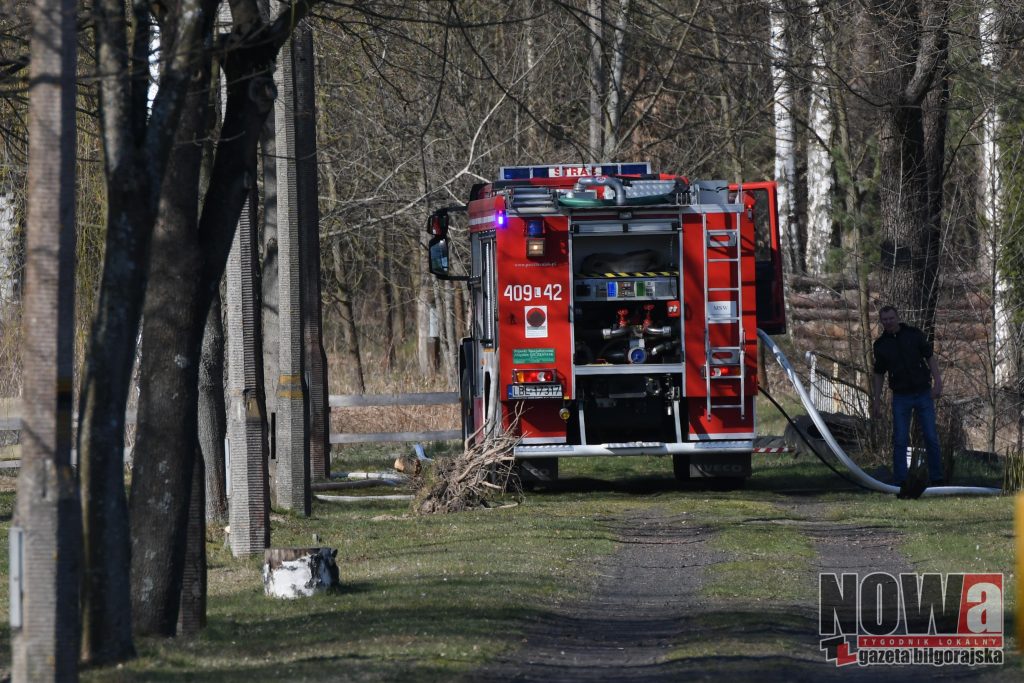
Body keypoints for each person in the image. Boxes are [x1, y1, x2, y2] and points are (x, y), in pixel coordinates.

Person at [870, 305, 945, 487]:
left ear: (897, 317)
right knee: (900, 439)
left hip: (922, 392)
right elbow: (879, 374)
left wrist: (938, 381)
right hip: (900, 396)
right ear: (881, 322)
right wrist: (877, 401)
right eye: (885, 320)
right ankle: (900, 479)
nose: (888, 322)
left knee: (930, 436)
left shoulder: (913, 334)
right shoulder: (880, 345)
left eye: (891, 318)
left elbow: (929, 357)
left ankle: (937, 478)